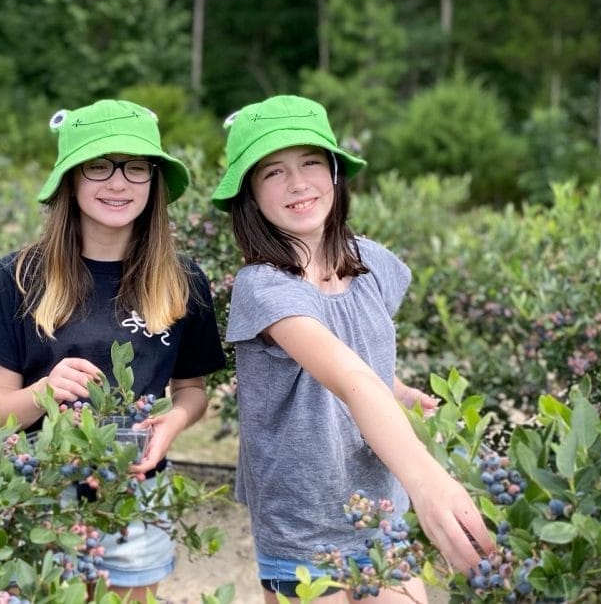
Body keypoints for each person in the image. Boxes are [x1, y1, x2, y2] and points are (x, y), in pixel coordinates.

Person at [211, 95, 494, 603]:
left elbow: (367, 365)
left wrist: (398, 390)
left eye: (312, 163)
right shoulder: (264, 286)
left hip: (379, 507)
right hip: (304, 521)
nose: (298, 183)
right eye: (273, 172)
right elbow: (347, 376)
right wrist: (428, 480)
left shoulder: (372, 263)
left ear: (336, 175)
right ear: (250, 195)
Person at [0, 99, 227, 600]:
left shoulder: (182, 280)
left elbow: (192, 390)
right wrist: (45, 391)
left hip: (136, 488)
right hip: (38, 488)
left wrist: (172, 423)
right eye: (98, 166)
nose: (118, 183)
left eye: (136, 168)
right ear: (70, 180)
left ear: (154, 181)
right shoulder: (19, 277)